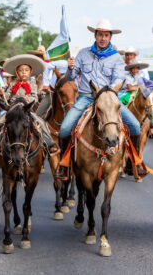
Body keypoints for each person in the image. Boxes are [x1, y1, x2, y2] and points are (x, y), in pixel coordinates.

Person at [55, 19, 144, 180]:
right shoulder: (83, 53)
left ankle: (134, 162)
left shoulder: (116, 58)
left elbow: (118, 81)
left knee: (135, 126)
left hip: (108, 100)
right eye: (100, 34)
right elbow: (71, 77)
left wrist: (105, 93)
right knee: (65, 129)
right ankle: (65, 164)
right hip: (86, 97)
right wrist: (70, 68)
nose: (103, 38)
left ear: (110, 37)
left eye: (106, 35)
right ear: (95, 35)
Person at [0, 54, 59, 155]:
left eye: (26, 70)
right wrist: (3, 94)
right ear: (16, 72)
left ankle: (50, 144)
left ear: (30, 72)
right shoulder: (12, 84)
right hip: (13, 110)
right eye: (21, 70)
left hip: (26, 110)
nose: (24, 72)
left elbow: (35, 97)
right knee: (0, 121)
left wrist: (26, 99)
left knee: (40, 122)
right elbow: (7, 96)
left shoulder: (33, 85)